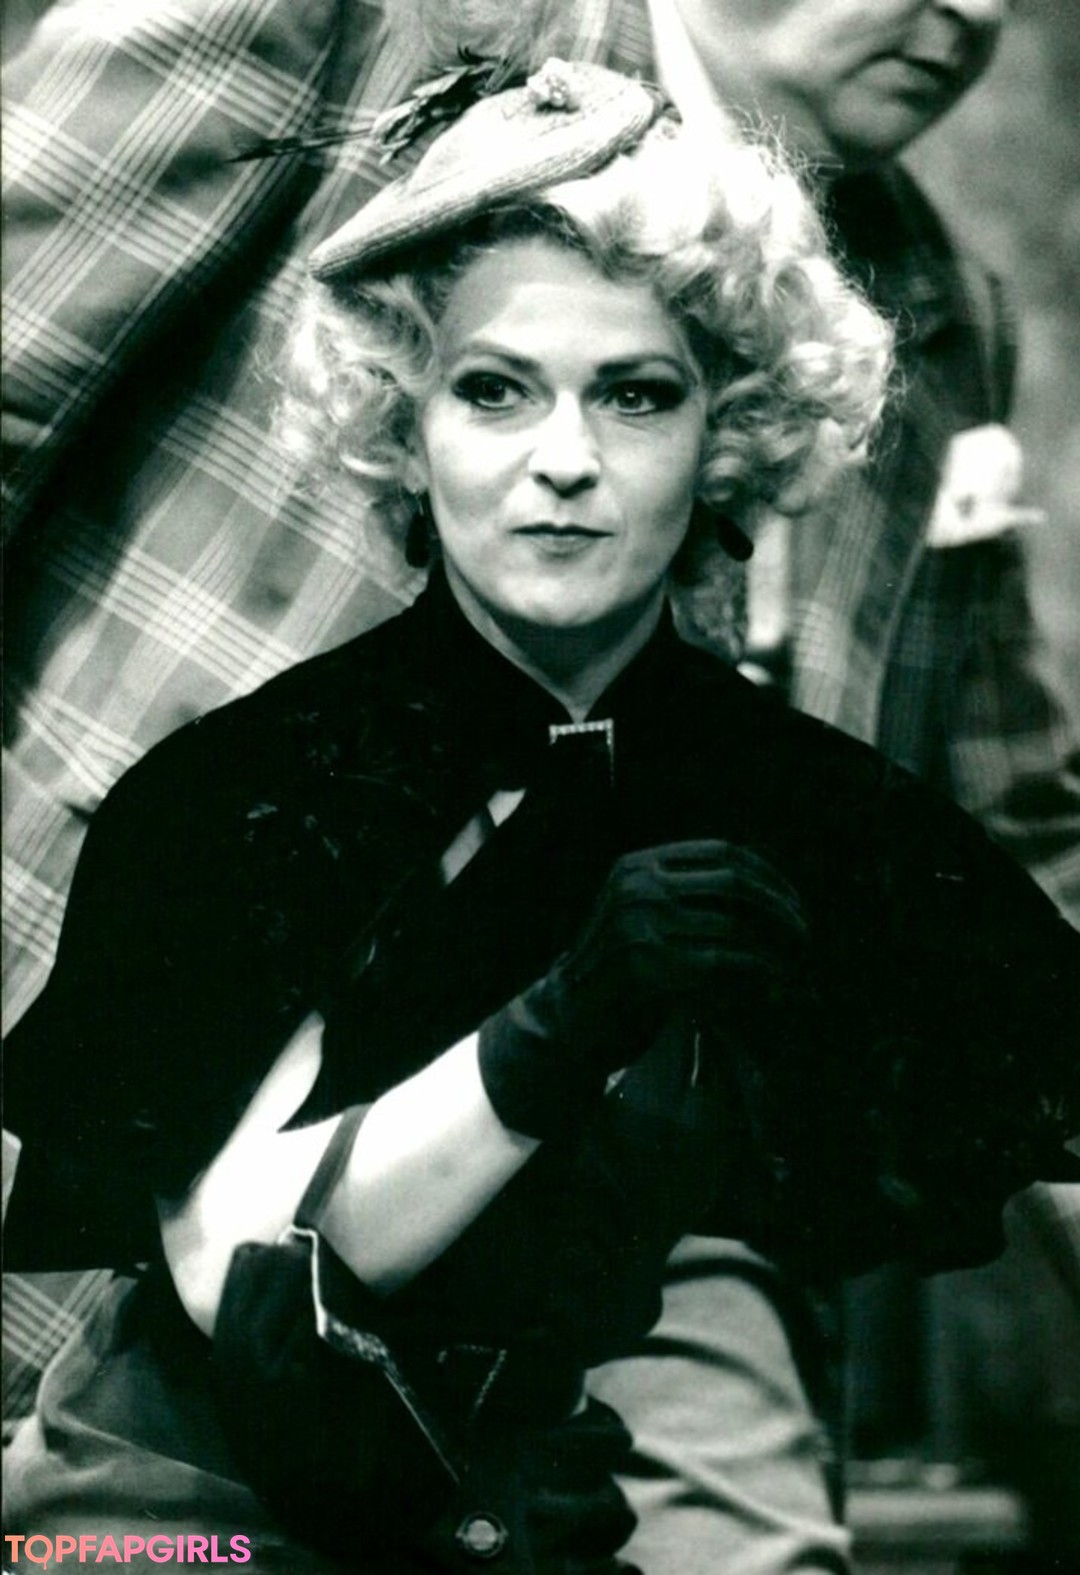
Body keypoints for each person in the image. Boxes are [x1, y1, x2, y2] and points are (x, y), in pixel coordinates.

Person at [4, 0, 1079, 1569]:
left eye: (639, 397)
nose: (972, 9)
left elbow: (1013, 837)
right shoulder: (345, 25)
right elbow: (243, 1262)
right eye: (497, 392)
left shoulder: (938, 312)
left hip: (636, 1256)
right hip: (212, 1194)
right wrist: (561, 1016)